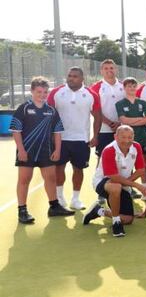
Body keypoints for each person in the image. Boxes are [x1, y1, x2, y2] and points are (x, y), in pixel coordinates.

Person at [12, 77, 71, 224]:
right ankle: (22, 210)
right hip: (27, 151)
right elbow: (16, 131)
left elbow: (57, 133)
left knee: (51, 178)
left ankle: (54, 206)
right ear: (32, 91)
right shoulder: (24, 108)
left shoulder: (51, 110)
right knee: (24, 180)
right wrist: (21, 150)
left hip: (46, 151)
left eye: (45, 92)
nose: (42, 95)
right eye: (39, 92)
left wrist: (57, 150)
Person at [48, 67, 101, 210]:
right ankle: (59, 198)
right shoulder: (56, 93)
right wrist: (51, 136)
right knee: (59, 168)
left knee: (79, 169)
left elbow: (97, 116)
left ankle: (76, 199)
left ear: (82, 78)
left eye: (75, 76)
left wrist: (95, 136)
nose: (71, 78)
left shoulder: (91, 94)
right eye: (69, 76)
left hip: (81, 139)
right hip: (60, 139)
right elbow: (48, 116)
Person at [84, 126, 146, 237]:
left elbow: (141, 170)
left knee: (128, 219)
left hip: (122, 184)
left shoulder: (136, 146)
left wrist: (126, 183)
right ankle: (116, 222)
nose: (127, 140)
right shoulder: (109, 150)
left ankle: (98, 211)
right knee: (116, 187)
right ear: (115, 137)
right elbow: (113, 177)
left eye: (130, 137)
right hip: (102, 182)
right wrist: (137, 185)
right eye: (123, 137)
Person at [116, 78, 146, 185]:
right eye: (129, 86)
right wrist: (141, 119)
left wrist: (131, 121)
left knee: (144, 164)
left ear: (136, 87)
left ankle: (144, 186)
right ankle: (128, 187)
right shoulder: (120, 103)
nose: (132, 88)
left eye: (133, 86)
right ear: (124, 88)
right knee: (127, 164)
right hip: (127, 138)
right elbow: (123, 120)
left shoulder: (143, 102)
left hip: (143, 137)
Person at [90, 59, 125, 156]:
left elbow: (129, 105)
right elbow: (93, 110)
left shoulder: (124, 86)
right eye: (106, 68)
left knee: (124, 157)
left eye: (111, 68)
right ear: (101, 71)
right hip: (103, 130)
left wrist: (120, 122)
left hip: (122, 129)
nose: (109, 70)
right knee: (102, 159)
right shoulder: (96, 87)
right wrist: (110, 123)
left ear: (116, 69)